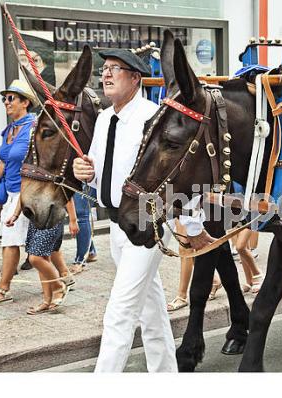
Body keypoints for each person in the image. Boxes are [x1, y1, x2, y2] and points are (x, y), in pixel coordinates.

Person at [73, 49, 207, 372]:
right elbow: (96, 167)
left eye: (114, 69)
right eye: (104, 69)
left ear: (135, 78)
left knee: (119, 313)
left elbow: (178, 171)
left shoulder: (154, 117)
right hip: (117, 225)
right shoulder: (105, 119)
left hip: (147, 224)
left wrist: (191, 225)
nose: (105, 75)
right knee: (150, 310)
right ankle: (166, 377)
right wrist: (84, 170)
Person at [0, 80, 37, 307]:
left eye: (11, 98)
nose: (6, 102)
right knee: (34, 246)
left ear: (26, 102)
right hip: (10, 192)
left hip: (26, 192)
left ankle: (3, 289)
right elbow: (3, 160)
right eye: (4, 98)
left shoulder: (34, 128)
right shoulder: (11, 128)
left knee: (11, 241)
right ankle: (63, 277)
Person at [5, 199, 78, 314]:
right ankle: (46, 301)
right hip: (35, 219)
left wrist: (73, 220)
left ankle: (59, 287)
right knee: (43, 258)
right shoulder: (27, 180)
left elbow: (66, 196)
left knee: (35, 258)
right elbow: (24, 195)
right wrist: (15, 215)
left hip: (53, 218)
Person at [69, 188, 98, 274]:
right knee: (75, 210)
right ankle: (91, 251)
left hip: (84, 178)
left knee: (80, 214)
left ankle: (80, 261)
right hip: (69, 178)